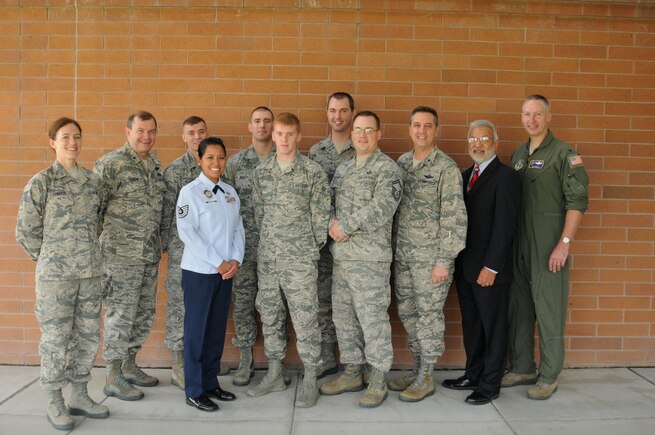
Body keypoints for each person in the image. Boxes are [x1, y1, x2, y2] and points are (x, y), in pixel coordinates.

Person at [16, 117, 109, 430]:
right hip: (56, 280)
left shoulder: (94, 182)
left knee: (87, 337)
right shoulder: (41, 183)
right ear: (52, 142)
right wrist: (50, 260)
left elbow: (97, 223)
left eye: (77, 137)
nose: (73, 142)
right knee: (56, 340)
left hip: (90, 275)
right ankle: (55, 399)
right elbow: (26, 231)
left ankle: (79, 395)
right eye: (66, 137)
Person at [503, 95, 589, 400]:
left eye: (537, 114)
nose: (532, 120)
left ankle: (549, 373)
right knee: (520, 307)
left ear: (548, 117)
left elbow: (577, 201)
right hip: (520, 246)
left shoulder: (565, 154)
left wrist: (564, 244)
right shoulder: (518, 154)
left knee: (550, 308)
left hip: (548, 244)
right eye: (526, 114)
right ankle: (523, 365)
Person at [246, 113, 330, 409]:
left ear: (298, 136)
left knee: (306, 318)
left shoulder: (312, 172)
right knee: (270, 316)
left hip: (299, 262)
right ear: (273, 136)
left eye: (289, 134)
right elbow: (258, 213)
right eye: (278, 134)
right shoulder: (262, 172)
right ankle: (275, 373)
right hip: (269, 259)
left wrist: (307, 247)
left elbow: (321, 216)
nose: (282, 139)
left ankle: (310, 377)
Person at [319, 111, 403, 408]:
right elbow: (326, 200)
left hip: (370, 260)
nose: (362, 135)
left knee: (372, 320)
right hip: (341, 258)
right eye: (357, 130)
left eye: (368, 130)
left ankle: (378, 378)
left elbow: (383, 207)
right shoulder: (343, 169)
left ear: (379, 134)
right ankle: (353, 371)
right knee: (343, 318)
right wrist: (330, 223)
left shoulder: (387, 169)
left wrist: (345, 226)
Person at [390, 106, 467, 402]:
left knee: (429, 317)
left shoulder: (445, 168)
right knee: (408, 314)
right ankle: (416, 367)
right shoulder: (402, 163)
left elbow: (454, 218)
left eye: (427, 126)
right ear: (409, 129)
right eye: (416, 125)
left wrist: (444, 262)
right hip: (404, 257)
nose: (421, 131)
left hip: (431, 261)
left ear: (436, 130)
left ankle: (426, 377)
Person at [442, 120, 522, 405]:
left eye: (484, 139)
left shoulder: (506, 178)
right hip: (466, 268)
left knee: (493, 327)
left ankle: (490, 384)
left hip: (489, 270)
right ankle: (472, 374)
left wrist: (492, 267)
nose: (477, 144)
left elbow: (505, 227)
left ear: (495, 143)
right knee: (472, 325)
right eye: (472, 139)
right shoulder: (464, 176)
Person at [94, 111, 165, 401]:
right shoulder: (111, 165)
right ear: (127, 132)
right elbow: (94, 211)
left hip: (148, 254)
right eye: (140, 131)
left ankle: (129, 364)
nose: (146, 136)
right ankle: (112, 375)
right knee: (120, 316)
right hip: (120, 257)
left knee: (143, 314)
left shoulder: (155, 165)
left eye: (151, 131)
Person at [161, 116, 230, 391]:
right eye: (191, 132)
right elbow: (170, 213)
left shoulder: (217, 166)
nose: (197, 136)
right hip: (185, 253)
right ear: (184, 137)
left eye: (202, 131)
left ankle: (204, 368)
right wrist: (168, 246)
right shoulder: (176, 170)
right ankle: (181, 366)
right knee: (182, 311)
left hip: (215, 255)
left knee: (209, 317)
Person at [176, 137, 244, 412]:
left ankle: (210, 382)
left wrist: (236, 259)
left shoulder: (229, 192)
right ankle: (193, 389)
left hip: (224, 274)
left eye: (221, 158)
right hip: (200, 272)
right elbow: (187, 232)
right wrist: (218, 262)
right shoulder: (189, 192)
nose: (216, 163)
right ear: (199, 161)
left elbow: (238, 228)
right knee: (196, 332)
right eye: (210, 158)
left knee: (215, 330)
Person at [222, 107, 276, 386]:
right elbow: (224, 205)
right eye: (257, 121)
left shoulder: (285, 159)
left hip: (276, 250)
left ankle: (275, 364)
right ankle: (246, 361)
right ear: (250, 126)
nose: (262, 126)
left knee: (272, 308)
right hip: (242, 249)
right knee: (242, 306)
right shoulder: (235, 163)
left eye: (267, 121)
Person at [308, 92, 356, 378]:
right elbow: (312, 198)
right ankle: (327, 356)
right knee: (322, 301)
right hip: (324, 242)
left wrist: (345, 228)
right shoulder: (316, 152)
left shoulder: (363, 146)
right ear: (326, 113)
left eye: (343, 110)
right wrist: (328, 225)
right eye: (332, 110)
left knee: (351, 303)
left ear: (352, 113)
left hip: (353, 242)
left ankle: (354, 362)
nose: (337, 116)